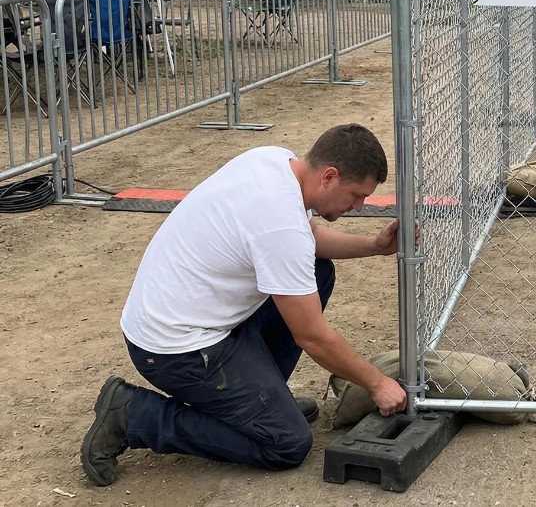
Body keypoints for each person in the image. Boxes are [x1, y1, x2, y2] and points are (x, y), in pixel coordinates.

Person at [80, 124, 411, 487]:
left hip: (194, 319)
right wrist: (378, 384)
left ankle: (262, 405)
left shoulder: (275, 161)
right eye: (356, 195)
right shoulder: (278, 223)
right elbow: (312, 337)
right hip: (176, 350)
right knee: (286, 444)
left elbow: (309, 237)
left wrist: (375, 246)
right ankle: (133, 415)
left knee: (317, 272)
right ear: (329, 176)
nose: (359, 206)